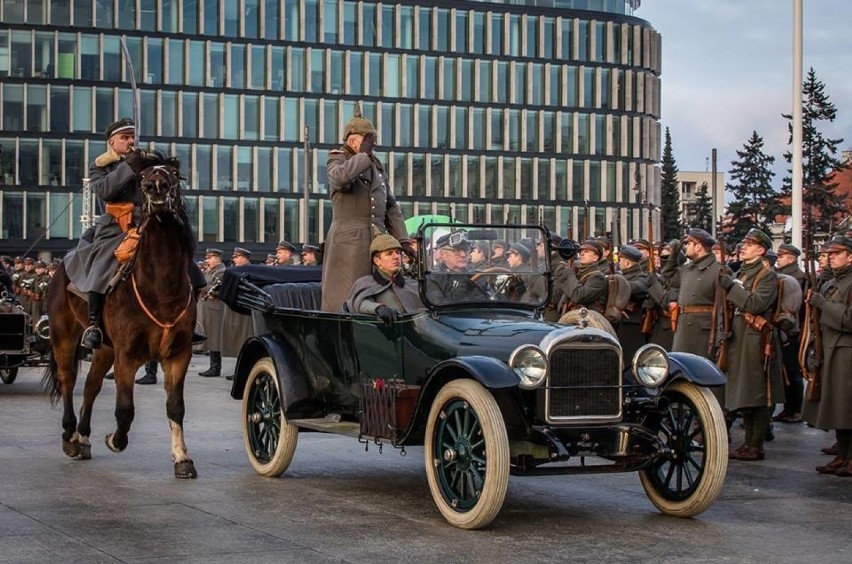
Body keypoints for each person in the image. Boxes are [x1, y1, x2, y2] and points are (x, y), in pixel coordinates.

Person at [63, 118, 204, 349]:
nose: (130, 141)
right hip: (117, 227)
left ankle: (190, 323)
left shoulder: (147, 161)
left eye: (132, 137)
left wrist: (156, 164)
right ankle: (94, 325)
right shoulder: (101, 166)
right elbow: (105, 191)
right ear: (112, 142)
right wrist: (129, 167)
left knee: (189, 268)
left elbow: (165, 176)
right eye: (124, 138)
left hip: (150, 224)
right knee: (102, 264)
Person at [322, 105, 410, 312]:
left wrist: (403, 240)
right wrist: (362, 155)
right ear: (352, 140)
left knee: (384, 289)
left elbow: (390, 206)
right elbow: (339, 179)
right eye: (367, 139)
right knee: (349, 292)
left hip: (377, 238)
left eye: (373, 140)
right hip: (349, 241)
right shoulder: (338, 158)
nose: (373, 145)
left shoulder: (376, 165)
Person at [718, 228, 783, 461]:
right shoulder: (744, 273)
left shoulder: (766, 275)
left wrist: (731, 287)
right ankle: (747, 444)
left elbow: (755, 304)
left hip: (757, 339)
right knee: (744, 390)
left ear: (761, 250)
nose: (743, 247)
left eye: (750, 244)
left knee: (758, 391)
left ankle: (756, 444)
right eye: (743, 243)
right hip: (740, 336)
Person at [804, 235, 852, 476]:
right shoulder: (834, 281)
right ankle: (842, 454)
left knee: (849, 405)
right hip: (832, 348)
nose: (831, 257)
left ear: (850, 256)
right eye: (829, 254)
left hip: (846, 350)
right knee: (839, 407)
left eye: (837, 253)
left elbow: (849, 319)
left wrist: (822, 303)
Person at [345, 234, 423, 323]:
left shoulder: (412, 284)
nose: (396, 257)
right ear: (377, 261)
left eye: (397, 252)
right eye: (389, 253)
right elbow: (359, 303)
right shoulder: (365, 283)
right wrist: (378, 308)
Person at [425, 231, 489, 305]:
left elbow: (492, 299)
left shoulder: (477, 274)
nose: (463, 255)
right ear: (443, 254)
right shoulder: (434, 278)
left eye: (466, 250)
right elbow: (439, 307)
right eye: (457, 251)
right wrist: (460, 292)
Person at [553, 239, 608, 313]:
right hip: (567, 317)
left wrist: (570, 274)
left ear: (596, 257)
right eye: (581, 251)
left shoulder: (598, 278)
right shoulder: (577, 272)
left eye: (586, 251)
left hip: (585, 320)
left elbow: (578, 296)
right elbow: (558, 291)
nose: (581, 254)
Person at [616, 244, 649, 360]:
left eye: (621, 260)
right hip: (619, 322)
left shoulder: (641, 277)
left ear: (627, 262)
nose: (619, 263)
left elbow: (637, 287)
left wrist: (616, 282)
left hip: (631, 325)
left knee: (629, 359)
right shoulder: (622, 276)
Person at [197, 249, 226, 378]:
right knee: (209, 336)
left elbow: (216, 291)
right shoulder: (210, 271)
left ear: (216, 258)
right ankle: (212, 366)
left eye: (209, 258)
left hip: (215, 308)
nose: (207, 261)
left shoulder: (221, 272)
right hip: (207, 307)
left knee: (214, 338)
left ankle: (215, 368)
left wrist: (201, 286)